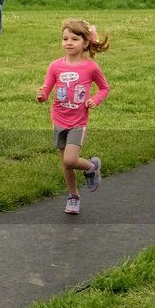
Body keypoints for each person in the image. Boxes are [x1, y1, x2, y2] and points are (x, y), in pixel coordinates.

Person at [36, 19, 111, 215]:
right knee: (66, 164)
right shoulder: (55, 66)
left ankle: (91, 166)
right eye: (65, 38)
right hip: (59, 118)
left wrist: (95, 99)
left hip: (78, 121)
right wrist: (41, 95)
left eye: (74, 39)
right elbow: (46, 92)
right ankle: (73, 196)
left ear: (85, 43)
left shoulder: (90, 67)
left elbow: (104, 88)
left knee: (70, 160)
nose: (68, 42)